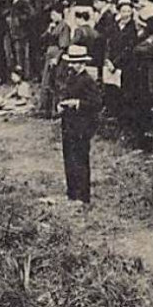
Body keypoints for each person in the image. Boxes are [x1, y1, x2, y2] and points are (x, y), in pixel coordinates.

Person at [58, 44, 102, 204]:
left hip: (82, 125)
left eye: (77, 63)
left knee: (81, 160)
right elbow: (64, 94)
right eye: (72, 62)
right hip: (69, 124)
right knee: (69, 158)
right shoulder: (72, 77)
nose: (73, 65)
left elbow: (97, 103)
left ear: (83, 63)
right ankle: (72, 193)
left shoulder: (88, 80)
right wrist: (61, 104)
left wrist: (77, 103)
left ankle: (83, 196)